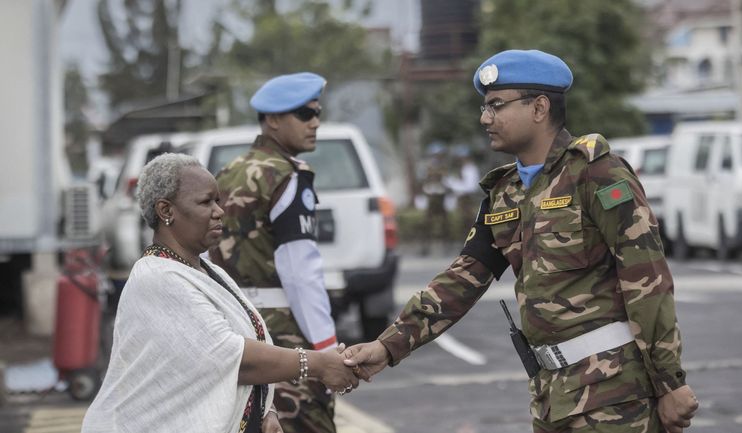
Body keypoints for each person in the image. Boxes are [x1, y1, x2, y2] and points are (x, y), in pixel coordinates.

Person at [344, 49, 699, 433]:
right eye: (485, 107)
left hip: (616, 395)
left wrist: (669, 383)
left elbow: (648, 281)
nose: (485, 118)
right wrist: (386, 346)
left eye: (496, 105)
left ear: (540, 107)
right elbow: (460, 281)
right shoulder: (504, 193)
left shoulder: (597, 173)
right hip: (551, 398)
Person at [81, 153, 358, 433]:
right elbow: (231, 359)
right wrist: (318, 364)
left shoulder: (210, 272)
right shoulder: (158, 279)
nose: (219, 211)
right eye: (205, 202)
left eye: (217, 200)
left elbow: (243, 346)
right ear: (166, 211)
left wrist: (266, 410)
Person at [209, 72, 339, 433]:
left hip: (234, 330)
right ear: (273, 120)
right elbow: (300, 271)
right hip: (283, 334)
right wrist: (327, 351)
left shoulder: (228, 171)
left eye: (317, 113)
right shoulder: (288, 176)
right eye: (304, 114)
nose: (314, 123)